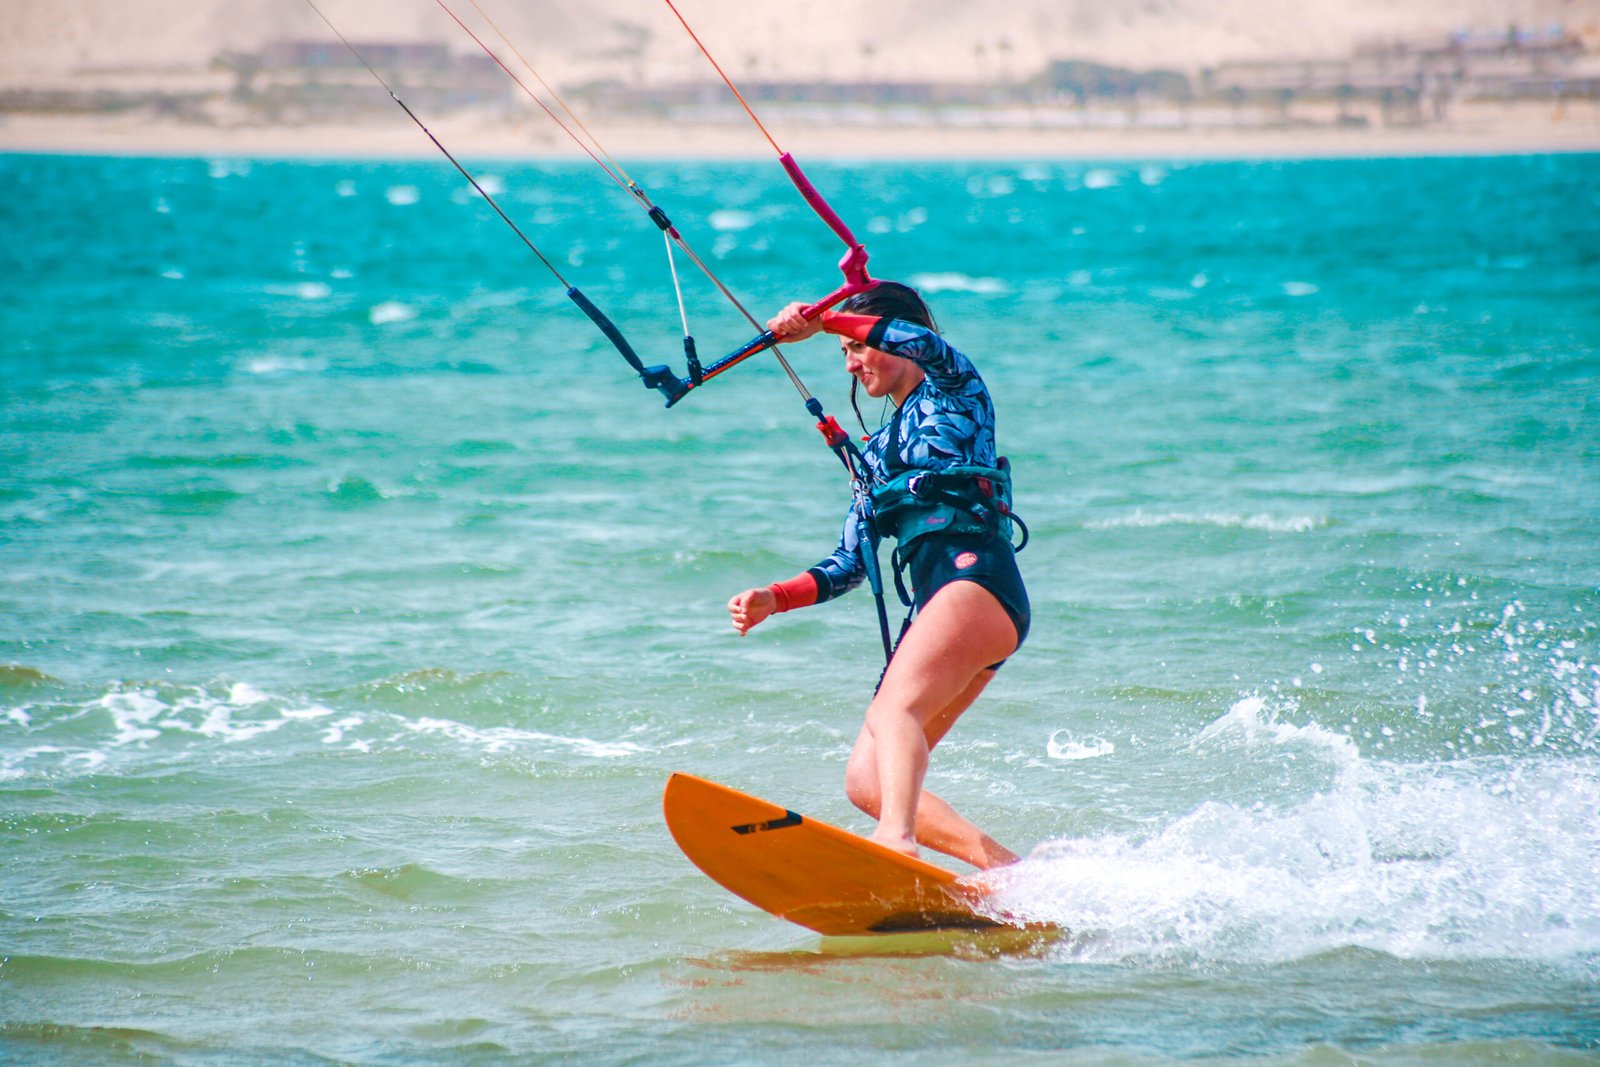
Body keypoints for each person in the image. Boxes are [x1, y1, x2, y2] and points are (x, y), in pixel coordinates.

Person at [726, 281, 1029, 870]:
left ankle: (896, 842)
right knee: (867, 781)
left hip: (975, 579)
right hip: (948, 603)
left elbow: (916, 341)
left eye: (858, 347)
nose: (851, 362)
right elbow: (849, 562)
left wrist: (827, 320)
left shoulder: (955, 389)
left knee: (894, 714)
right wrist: (775, 597)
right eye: (843, 355)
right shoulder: (880, 449)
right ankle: (1013, 875)